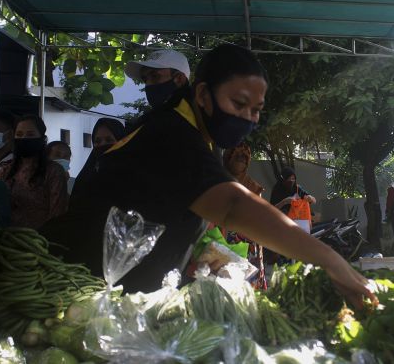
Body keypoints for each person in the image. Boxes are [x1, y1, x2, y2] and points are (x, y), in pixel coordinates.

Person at [41, 44, 376, 308]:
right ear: (202, 95)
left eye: (256, 109)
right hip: (71, 291)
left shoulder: (192, 132)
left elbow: (169, 206)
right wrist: (330, 260)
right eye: (238, 102)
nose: (247, 117)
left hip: (106, 291)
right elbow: (231, 204)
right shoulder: (173, 132)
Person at [3, 115, 68, 229]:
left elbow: (57, 214)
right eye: (19, 134)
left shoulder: (54, 171)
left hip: (40, 241)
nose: (23, 138)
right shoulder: (7, 169)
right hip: (8, 239)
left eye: (30, 134)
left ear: (42, 138)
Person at [223, 142, 267, 289]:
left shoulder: (253, 186)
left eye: (244, 159)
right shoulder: (218, 181)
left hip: (246, 242)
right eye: (237, 158)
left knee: (245, 286)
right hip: (219, 238)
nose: (241, 161)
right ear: (228, 159)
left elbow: (260, 216)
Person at [124, 49, 191, 133]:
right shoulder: (149, 125)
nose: (147, 85)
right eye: (145, 80)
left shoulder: (195, 123)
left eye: (155, 76)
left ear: (179, 79)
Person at [70, 118, 126, 200]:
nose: (103, 144)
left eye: (109, 140)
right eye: (98, 141)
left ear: (121, 140)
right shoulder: (86, 178)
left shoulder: (135, 176)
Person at [269, 167, 316, 233]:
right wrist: (284, 202)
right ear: (283, 179)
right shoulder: (277, 190)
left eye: (293, 179)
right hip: (282, 224)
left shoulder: (297, 188)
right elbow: (271, 209)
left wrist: (310, 198)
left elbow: (314, 200)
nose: (291, 181)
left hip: (299, 223)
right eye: (288, 179)